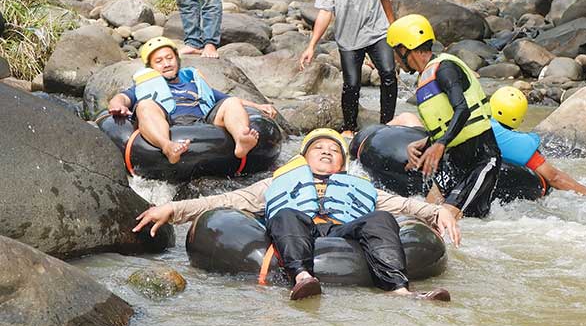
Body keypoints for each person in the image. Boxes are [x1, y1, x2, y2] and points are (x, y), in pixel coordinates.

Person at [133, 129, 460, 301]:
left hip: (345, 232)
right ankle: (303, 278)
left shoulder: (362, 188)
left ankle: (399, 290)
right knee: (287, 213)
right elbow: (226, 200)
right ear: (304, 158)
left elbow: (404, 207)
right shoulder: (276, 183)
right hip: (297, 229)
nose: (327, 152)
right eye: (319, 149)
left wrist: (438, 212)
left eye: (333, 152)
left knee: (381, 219)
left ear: (342, 165)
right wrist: (174, 209)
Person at [386, 14, 501, 219]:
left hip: (481, 159)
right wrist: (426, 143)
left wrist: (440, 144)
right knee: (423, 216)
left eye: (396, 51)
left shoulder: (445, 68)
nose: (395, 58)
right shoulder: (426, 78)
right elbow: (446, 125)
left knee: (443, 220)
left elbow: (462, 109)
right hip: (455, 161)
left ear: (405, 48)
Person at [389, 87, 586, 197]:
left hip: (435, 170)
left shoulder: (469, 122)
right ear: (519, 117)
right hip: (462, 184)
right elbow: (555, 178)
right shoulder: (519, 144)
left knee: (407, 118)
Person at [107, 36, 276, 164]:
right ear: (151, 67)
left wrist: (258, 105)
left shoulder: (193, 83)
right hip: (170, 121)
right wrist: (116, 105)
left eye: (169, 58)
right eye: (159, 61)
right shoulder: (146, 85)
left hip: (203, 121)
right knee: (145, 105)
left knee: (232, 103)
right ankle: (167, 147)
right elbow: (122, 97)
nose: (166, 64)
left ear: (177, 59)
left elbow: (228, 100)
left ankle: (241, 140)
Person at [299, 0, 397, 136]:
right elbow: (325, 12)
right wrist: (311, 45)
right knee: (351, 85)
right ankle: (349, 127)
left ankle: (387, 125)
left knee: (388, 74)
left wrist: (394, 28)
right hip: (349, 39)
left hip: (377, 33)